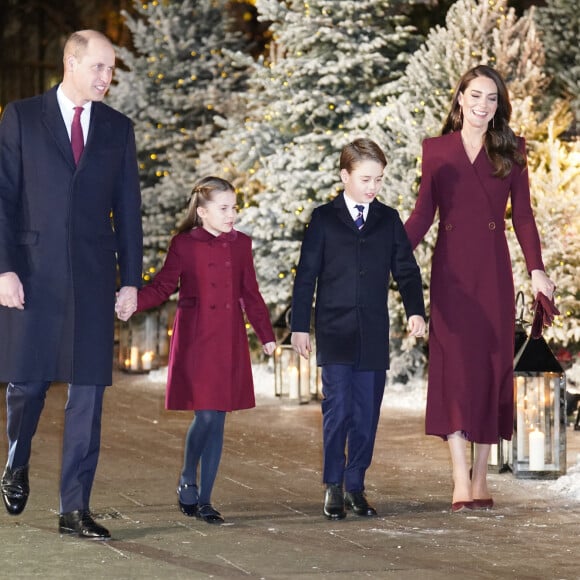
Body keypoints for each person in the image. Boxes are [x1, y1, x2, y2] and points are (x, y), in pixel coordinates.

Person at [0, 30, 143, 539]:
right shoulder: (20, 117)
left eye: (112, 70)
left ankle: (74, 508)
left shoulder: (117, 129)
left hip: (92, 280)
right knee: (28, 386)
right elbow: (4, 197)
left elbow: (128, 211)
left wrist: (131, 281)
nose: (108, 78)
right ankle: (16, 461)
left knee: (88, 394)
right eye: (99, 67)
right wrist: (4, 268)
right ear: (71, 61)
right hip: (33, 278)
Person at [404, 65, 556, 512]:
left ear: (498, 105)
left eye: (491, 98)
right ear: (460, 98)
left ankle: (481, 475)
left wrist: (537, 269)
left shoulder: (512, 149)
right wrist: (389, 255)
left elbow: (523, 216)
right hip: (450, 273)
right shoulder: (436, 150)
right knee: (453, 369)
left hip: (492, 272)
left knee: (491, 368)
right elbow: (421, 215)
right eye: (475, 96)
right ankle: (458, 478)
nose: (482, 105)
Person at [120, 176, 276, 524]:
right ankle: (188, 474)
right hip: (196, 340)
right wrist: (133, 302)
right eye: (224, 208)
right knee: (206, 415)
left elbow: (250, 293)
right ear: (203, 212)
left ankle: (205, 499)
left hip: (228, 340)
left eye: (234, 207)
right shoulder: (184, 244)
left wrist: (265, 334)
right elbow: (162, 286)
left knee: (217, 419)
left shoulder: (241, 245)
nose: (232, 214)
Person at [290, 138, 426, 520]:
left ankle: (356, 486)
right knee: (339, 411)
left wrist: (416, 310)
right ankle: (333, 484)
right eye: (365, 179)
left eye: (379, 180)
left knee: (367, 414)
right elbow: (305, 278)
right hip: (334, 332)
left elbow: (406, 271)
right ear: (344, 176)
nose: (372, 187)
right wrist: (301, 325)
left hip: (372, 334)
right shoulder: (323, 219)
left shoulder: (388, 220)